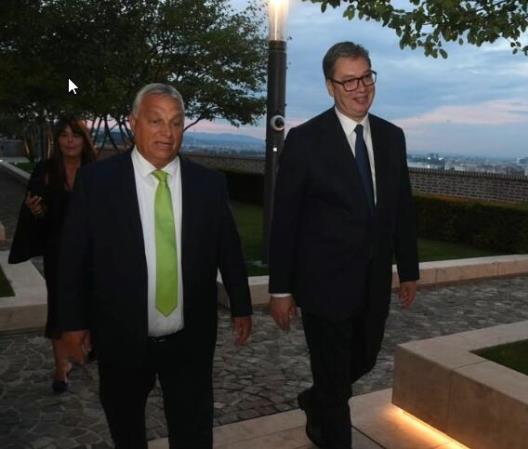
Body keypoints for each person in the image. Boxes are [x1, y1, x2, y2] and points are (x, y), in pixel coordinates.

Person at [56, 83, 252, 449]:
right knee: (126, 426)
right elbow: (72, 258)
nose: (167, 132)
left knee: (193, 429)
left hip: (190, 337)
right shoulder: (98, 182)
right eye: (156, 121)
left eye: (176, 122)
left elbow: (229, 248)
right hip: (121, 337)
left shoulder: (208, 184)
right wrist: (72, 322)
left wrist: (241, 305)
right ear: (134, 123)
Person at [268, 41, 420, 449]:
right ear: (330, 87)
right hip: (322, 286)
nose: (361, 88)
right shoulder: (305, 140)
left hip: (373, 283)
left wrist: (408, 269)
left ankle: (316, 398)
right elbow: (285, 220)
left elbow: (402, 208)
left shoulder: (392, 137)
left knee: (364, 359)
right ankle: (331, 420)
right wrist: (280, 289)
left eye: (366, 77)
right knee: (336, 382)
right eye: (349, 80)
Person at [9, 116, 98, 393]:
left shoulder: (96, 171)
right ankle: (61, 368)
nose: (69, 141)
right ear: (56, 140)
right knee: (60, 308)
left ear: (84, 140)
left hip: (91, 254)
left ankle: (82, 347)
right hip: (58, 253)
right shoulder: (45, 170)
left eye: (75, 135)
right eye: (64, 135)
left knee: (90, 304)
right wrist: (36, 210)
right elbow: (39, 215)